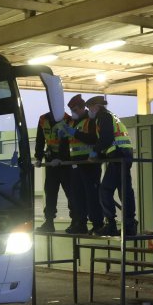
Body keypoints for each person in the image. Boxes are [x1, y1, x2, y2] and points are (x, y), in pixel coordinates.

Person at [85, 95, 136, 237]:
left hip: (118, 156)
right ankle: (129, 226)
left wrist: (95, 152)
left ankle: (111, 224)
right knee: (125, 191)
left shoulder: (103, 117)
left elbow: (106, 139)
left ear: (96, 106)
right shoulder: (111, 116)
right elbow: (110, 140)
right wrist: (100, 156)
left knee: (105, 189)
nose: (89, 111)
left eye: (89, 108)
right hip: (123, 155)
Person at [59, 94, 103, 234]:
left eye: (75, 109)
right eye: (71, 110)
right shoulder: (71, 123)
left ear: (83, 107)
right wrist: (63, 139)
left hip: (89, 163)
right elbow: (68, 146)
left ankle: (97, 224)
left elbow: (92, 139)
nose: (73, 112)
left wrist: (75, 133)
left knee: (92, 195)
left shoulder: (90, 121)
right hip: (75, 164)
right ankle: (80, 224)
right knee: (77, 196)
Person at [34, 108, 74, 233]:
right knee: (50, 192)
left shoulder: (68, 120)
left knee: (71, 193)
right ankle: (49, 222)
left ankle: (76, 221)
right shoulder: (43, 119)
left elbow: (68, 141)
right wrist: (39, 157)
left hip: (65, 162)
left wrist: (61, 158)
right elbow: (40, 140)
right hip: (51, 162)